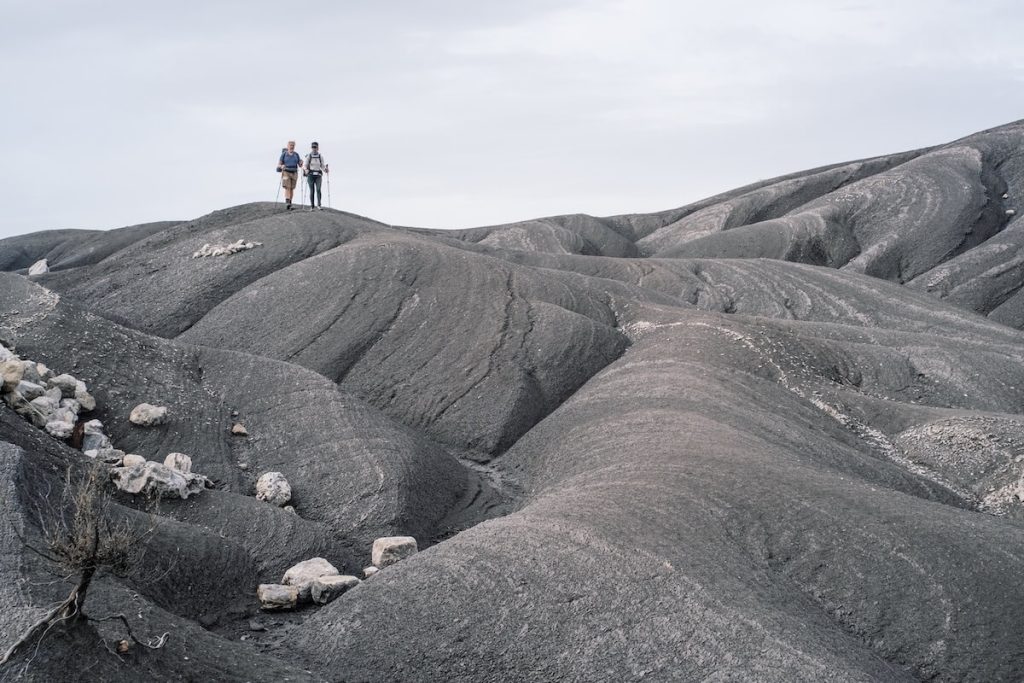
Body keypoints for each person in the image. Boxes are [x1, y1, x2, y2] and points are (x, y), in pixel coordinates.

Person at [277, 141, 303, 210]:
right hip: (286, 172)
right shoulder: (284, 154)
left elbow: (300, 165)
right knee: (287, 187)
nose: (292, 146)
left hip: (294, 172)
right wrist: (282, 166)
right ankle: (287, 202)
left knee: (292, 188)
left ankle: (290, 203)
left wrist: (301, 163)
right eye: (291, 145)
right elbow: (279, 164)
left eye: (293, 145)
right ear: (288, 146)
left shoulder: (296, 154)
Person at [303, 141, 329, 211]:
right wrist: (306, 170)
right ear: (311, 148)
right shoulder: (309, 156)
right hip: (310, 175)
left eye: (315, 147)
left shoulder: (320, 156)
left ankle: (319, 205)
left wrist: (325, 170)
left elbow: (322, 166)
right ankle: (312, 206)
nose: (314, 149)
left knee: (318, 189)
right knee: (312, 190)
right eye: (313, 147)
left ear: (318, 148)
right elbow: (305, 165)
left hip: (318, 175)